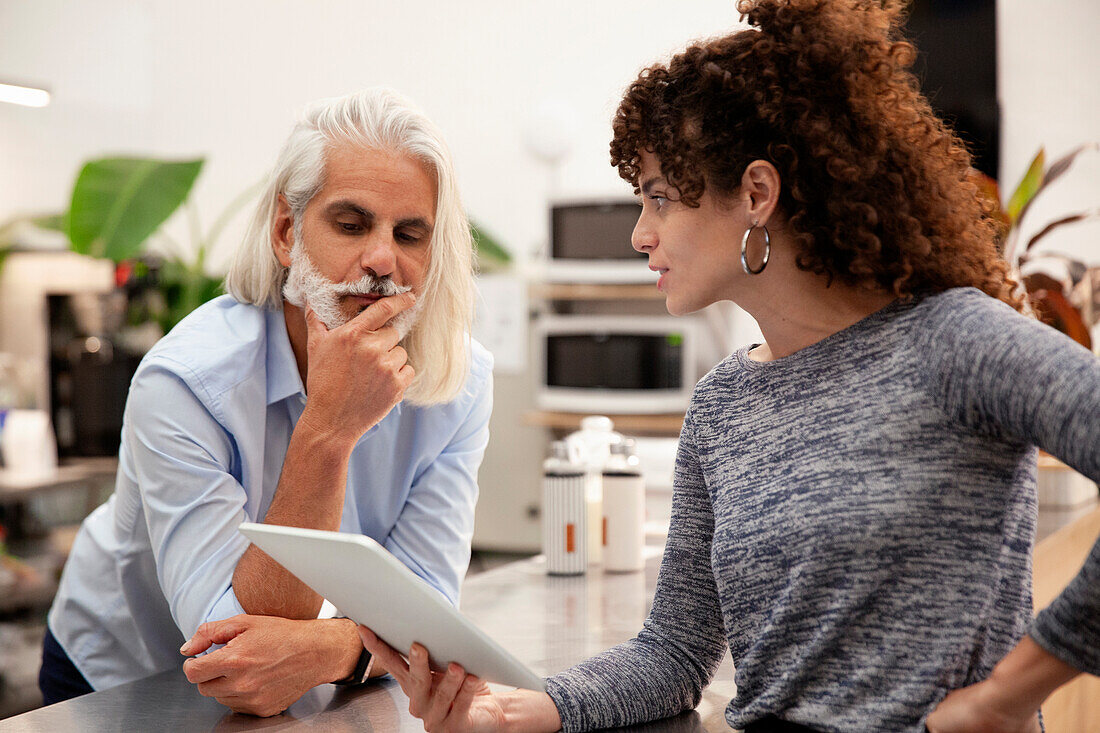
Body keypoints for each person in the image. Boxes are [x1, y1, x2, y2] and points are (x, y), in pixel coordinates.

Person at [355, 2, 1100, 732]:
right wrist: (531, 706)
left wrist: (1003, 697)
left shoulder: (957, 343)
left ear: (755, 193)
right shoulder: (722, 405)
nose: (641, 234)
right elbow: (675, 653)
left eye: (657, 199)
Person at [40, 87, 494, 718]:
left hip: (305, 674)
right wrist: (329, 431)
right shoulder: (185, 382)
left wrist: (337, 649)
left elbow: (431, 605)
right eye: (352, 224)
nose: (383, 261)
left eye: (410, 234)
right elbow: (233, 644)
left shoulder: (458, 383)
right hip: (122, 669)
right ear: (287, 233)